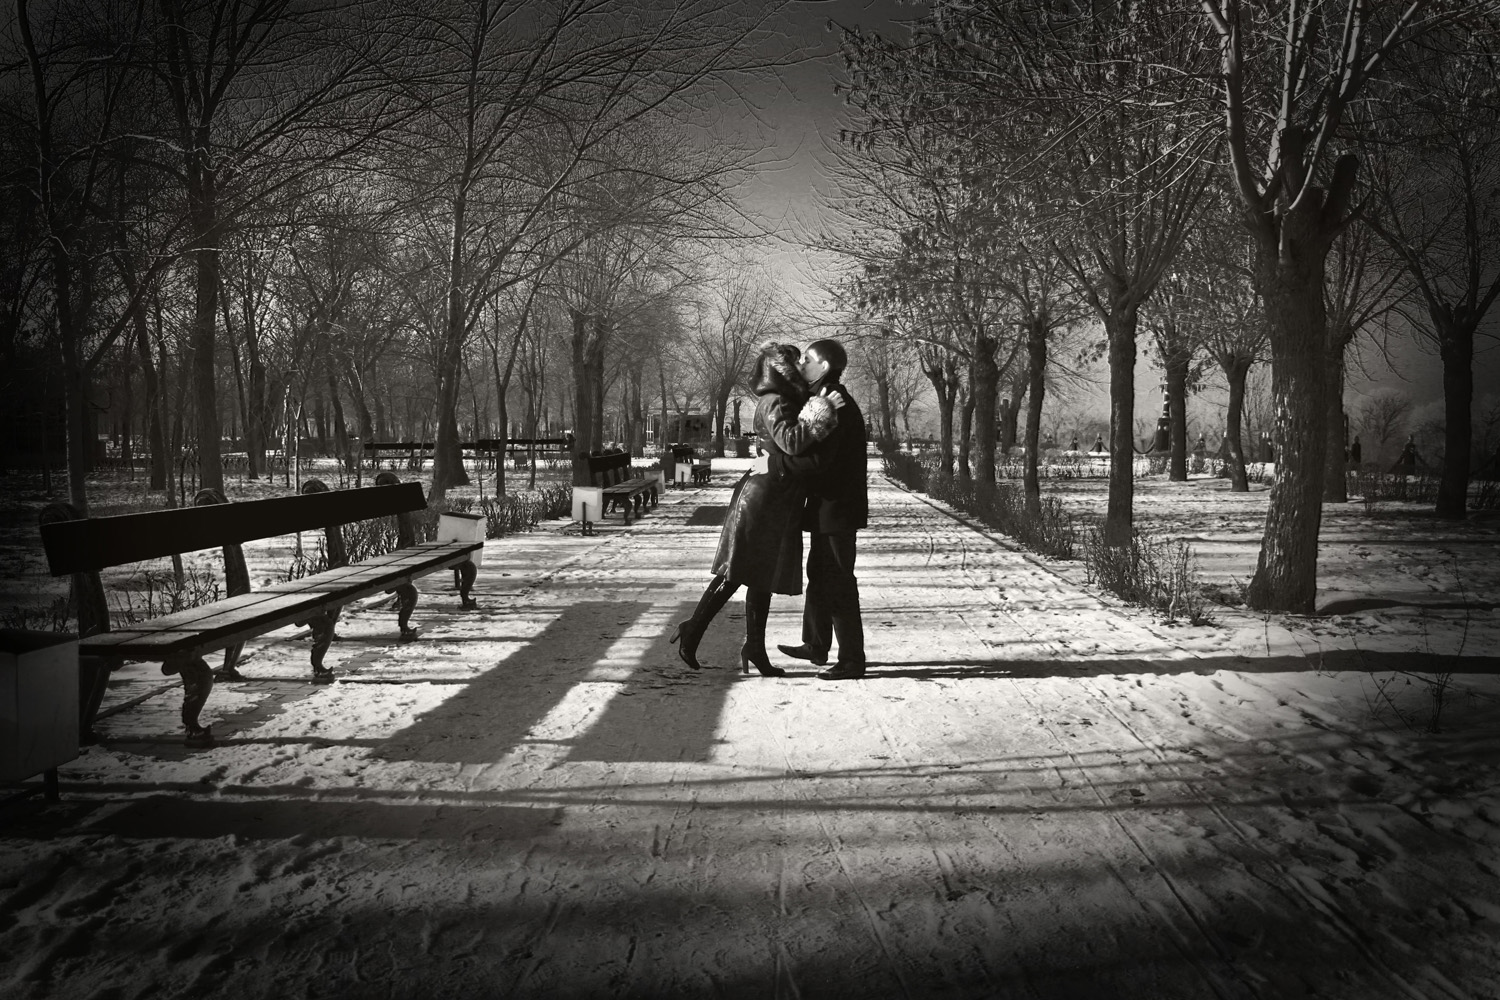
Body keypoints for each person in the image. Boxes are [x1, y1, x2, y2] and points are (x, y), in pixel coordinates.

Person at [670, 343, 842, 676]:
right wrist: (821, 411)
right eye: (797, 362)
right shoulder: (775, 401)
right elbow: (791, 442)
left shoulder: (784, 400)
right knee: (738, 571)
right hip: (763, 498)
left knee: (761, 574)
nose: (802, 366)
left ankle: (754, 647)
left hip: (776, 497)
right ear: (783, 370)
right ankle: (694, 628)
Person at [771, 339, 869, 681]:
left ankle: (852, 659)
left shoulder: (832, 401)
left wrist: (773, 464)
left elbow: (816, 461)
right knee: (820, 575)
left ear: (824, 367)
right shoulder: (824, 397)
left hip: (837, 507)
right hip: (829, 505)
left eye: (808, 360)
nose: (801, 365)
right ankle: (815, 643)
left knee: (839, 580)